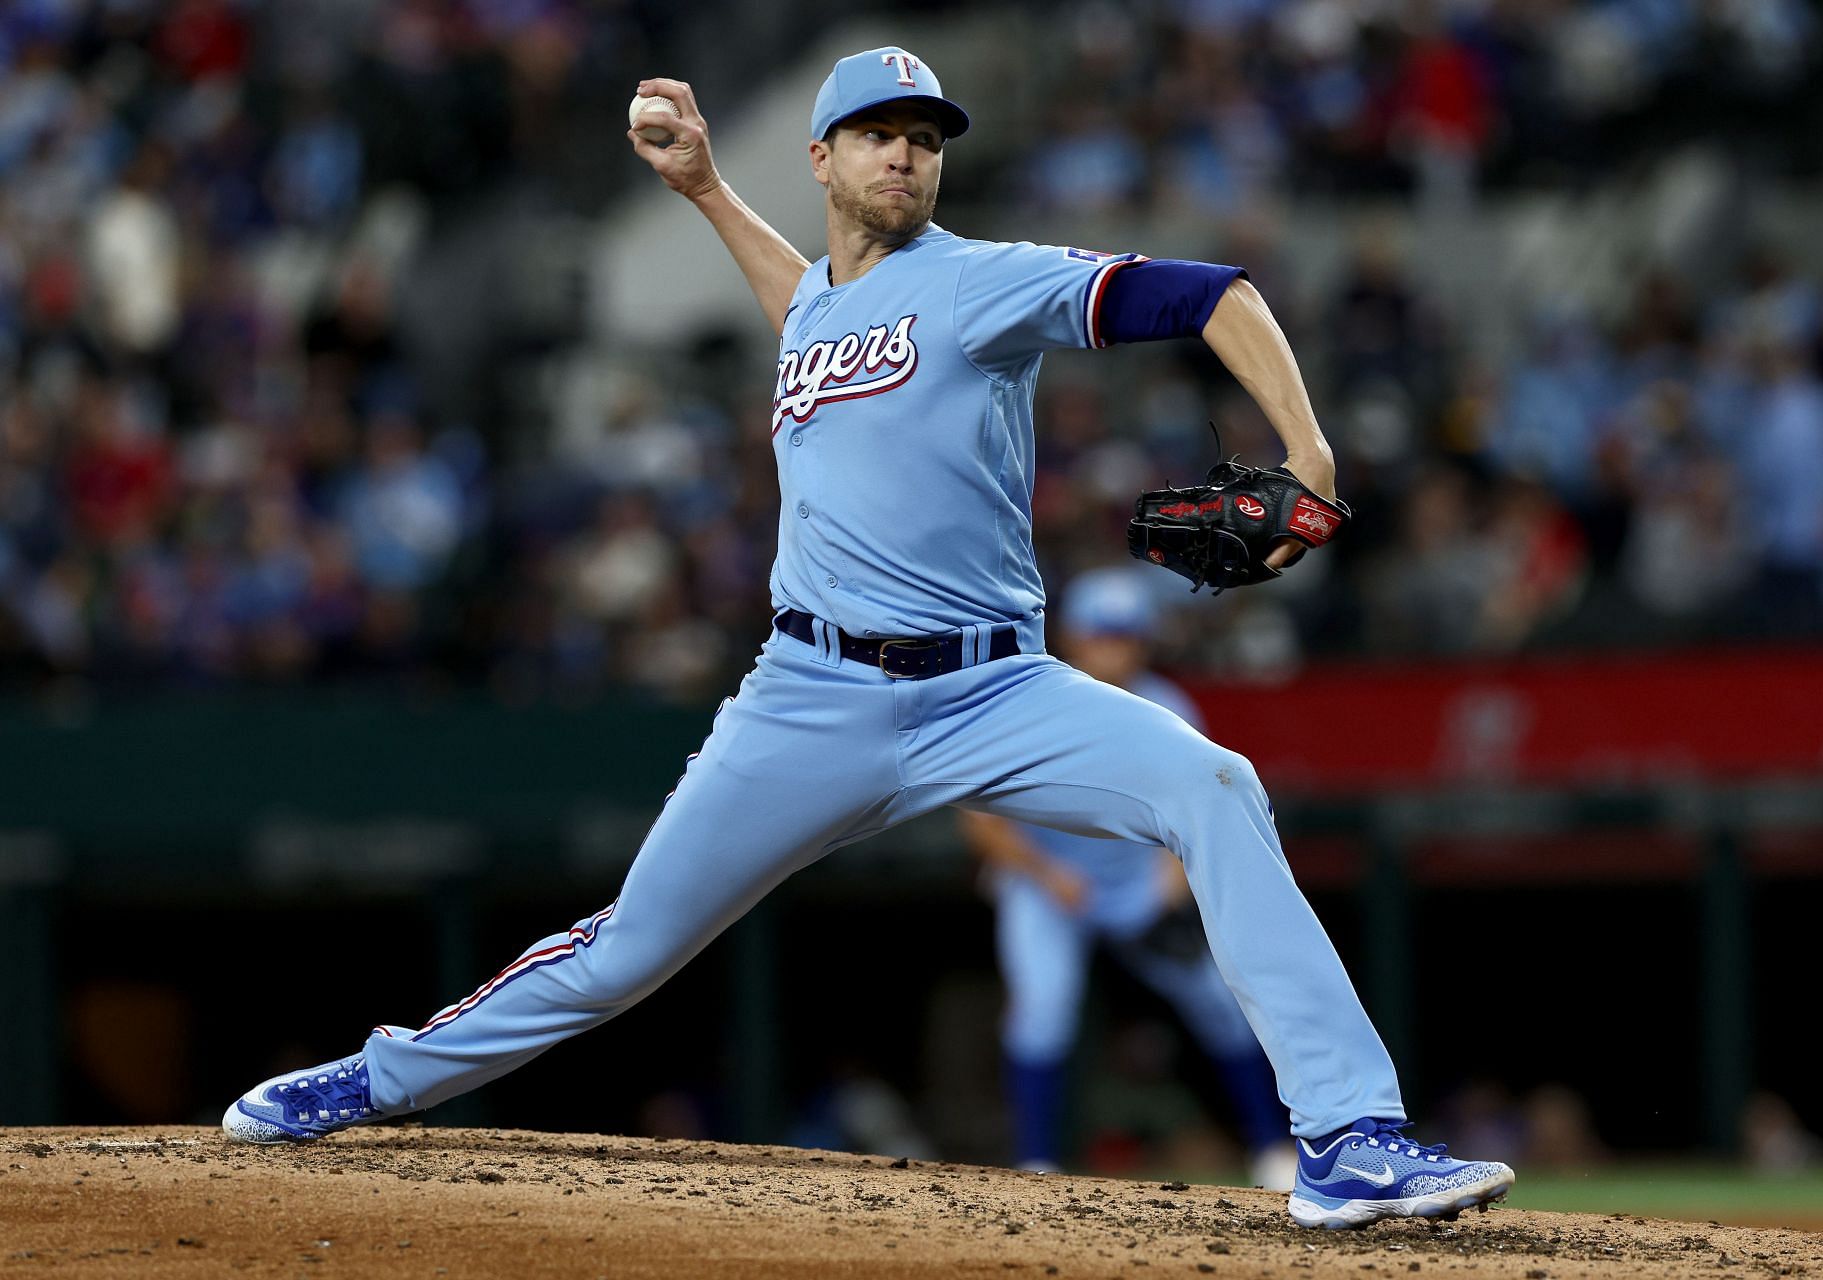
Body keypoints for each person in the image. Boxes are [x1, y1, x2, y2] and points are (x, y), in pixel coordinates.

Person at [222, 46, 1515, 1230]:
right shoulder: (822, 314)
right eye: (877, 132)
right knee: (621, 953)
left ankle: (1349, 1136)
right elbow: (819, 317)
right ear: (824, 159)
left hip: (997, 692)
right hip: (809, 699)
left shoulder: (980, 284)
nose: (904, 153)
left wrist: (1310, 449)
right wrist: (708, 194)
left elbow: (1209, 292)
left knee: (1216, 785)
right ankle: (369, 1079)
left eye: (924, 136)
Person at [963, 567, 1296, 1190]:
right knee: (1043, 1010)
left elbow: (1199, 812)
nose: (1115, 648)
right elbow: (979, 822)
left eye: (1126, 635)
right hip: (1047, 885)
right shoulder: (1030, 699)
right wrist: (1045, 874)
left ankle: (1272, 1148)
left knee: (1220, 1005)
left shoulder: (1169, 706)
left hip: (1133, 882)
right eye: (1102, 635)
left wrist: (1170, 879)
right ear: (1073, 637)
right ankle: (1037, 1160)